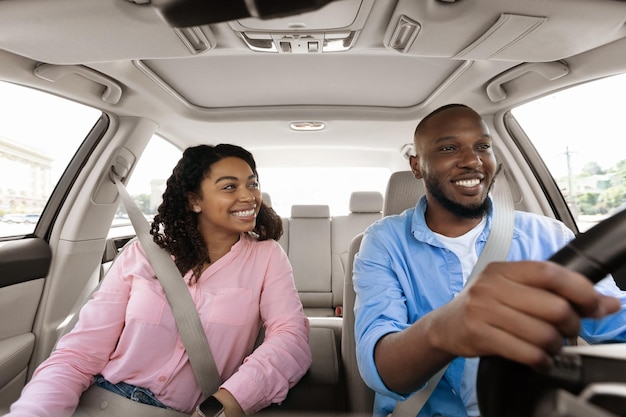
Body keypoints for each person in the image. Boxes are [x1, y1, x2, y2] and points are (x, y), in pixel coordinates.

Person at [352, 104, 626, 417]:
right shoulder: (383, 242)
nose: (472, 160)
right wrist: (446, 328)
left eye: (483, 146)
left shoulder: (547, 237)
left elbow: (618, 322)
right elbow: (381, 371)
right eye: (448, 148)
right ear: (417, 166)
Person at [7, 144, 312, 417]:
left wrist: (228, 402)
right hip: (104, 401)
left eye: (252, 184)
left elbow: (291, 339)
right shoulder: (143, 253)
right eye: (230, 186)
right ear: (194, 200)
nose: (249, 196)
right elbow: (80, 352)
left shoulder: (266, 256)